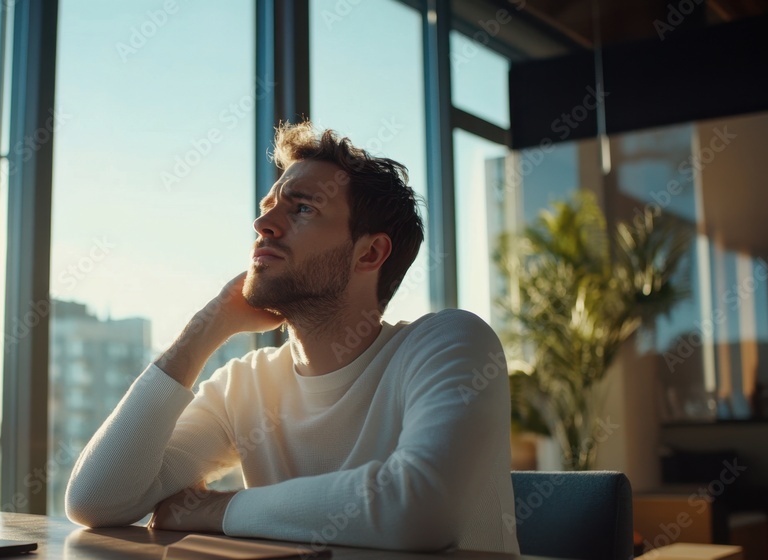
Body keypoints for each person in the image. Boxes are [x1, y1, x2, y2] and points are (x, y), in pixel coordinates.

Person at [64, 121, 519, 553]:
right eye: (268, 208)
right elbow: (97, 502)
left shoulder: (449, 344)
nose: (263, 225)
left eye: (303, 208)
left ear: (370, 252)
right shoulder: (245, 386)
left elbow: (419, 509)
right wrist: (207, 327)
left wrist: (218, 509)